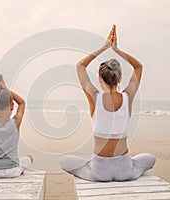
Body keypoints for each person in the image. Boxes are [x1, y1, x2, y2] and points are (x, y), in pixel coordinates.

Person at [59, 25, 156, 182]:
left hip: (99, 172)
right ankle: (128, 167)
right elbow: (138, 67)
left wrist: (104, 47)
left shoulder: (94, 98)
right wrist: (117, 50)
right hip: (125, 170)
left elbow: (80, 66)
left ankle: (89, 167)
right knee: (149, 159)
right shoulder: (127, 97)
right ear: (119, 80)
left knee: (64, 161)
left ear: (99, 78)